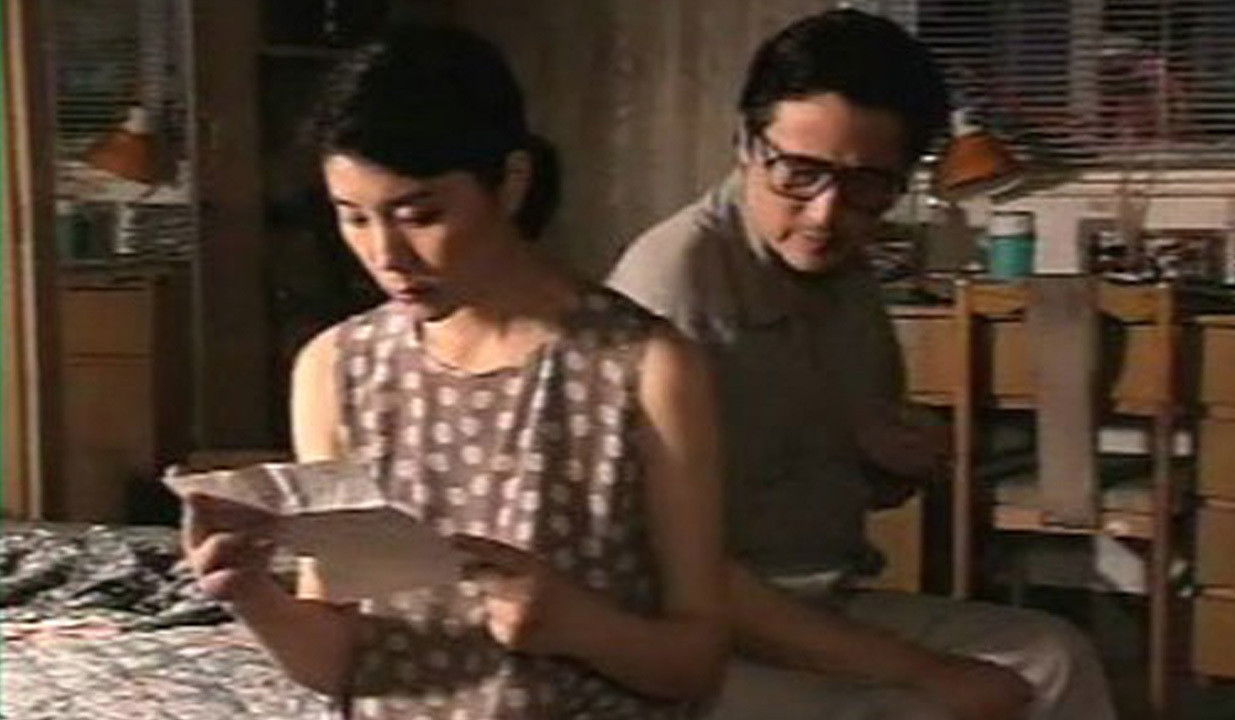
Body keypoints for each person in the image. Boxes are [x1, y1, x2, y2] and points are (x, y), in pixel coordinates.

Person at [180, 25, 728, 720]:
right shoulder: (336, 369)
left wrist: (579, 626)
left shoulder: (646, 369)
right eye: (354, 219)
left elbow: (696, 663)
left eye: (420, 215)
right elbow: (342, 661)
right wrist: (252, 596)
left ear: (511, 183)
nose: (386, 255)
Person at [608, 9, 1116, 720]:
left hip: (824, 602)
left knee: (1055, 659)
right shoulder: (676, 285)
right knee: (927, 708)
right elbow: (666, 564)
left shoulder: (847, 277)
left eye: (867, 186)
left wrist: (893, 461)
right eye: (799, 173)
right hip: (702, 632)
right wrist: (925, 671)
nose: (826, 214)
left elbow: (852, 485)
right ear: (745, 145)